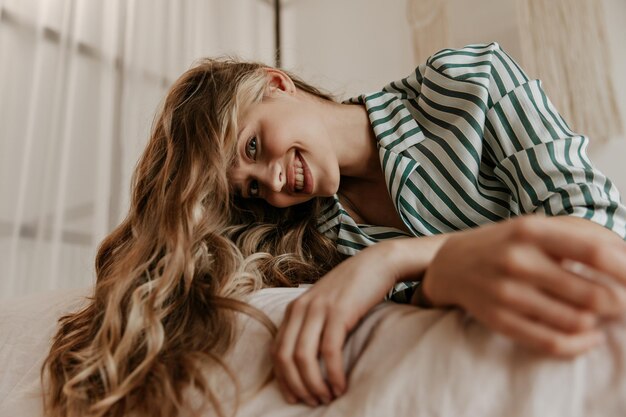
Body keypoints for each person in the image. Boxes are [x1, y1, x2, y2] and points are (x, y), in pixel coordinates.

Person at [42, 42, 626, 417]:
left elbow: (599, 230)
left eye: (250, 146)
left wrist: (392, 261)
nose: (269, 183)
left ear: (275, 83)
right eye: (248, 189)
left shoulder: (469, 85)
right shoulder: (315, 244)